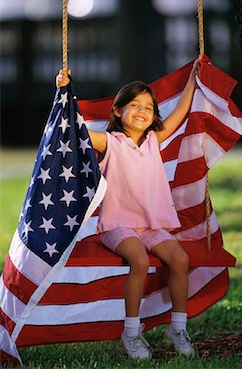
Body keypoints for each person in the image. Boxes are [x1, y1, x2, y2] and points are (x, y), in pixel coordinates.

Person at [56, 59, 199, 360]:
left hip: (150, 224)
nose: (142, 111)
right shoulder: (110, 142)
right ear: (118, 111)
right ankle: (132, 332)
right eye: (134, 105)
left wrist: (193, 79)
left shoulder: (153, 142)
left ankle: (178, 327)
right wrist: (64, 92)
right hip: (118, 225)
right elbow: (75, 129)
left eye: (148, 107)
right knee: (139, 260)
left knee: (180, 260)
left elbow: (179, 114)